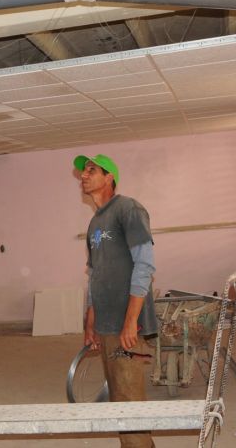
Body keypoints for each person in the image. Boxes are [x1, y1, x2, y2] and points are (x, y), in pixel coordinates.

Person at [74, 153, 158, 448]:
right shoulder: (94, 223)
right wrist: (91, 321)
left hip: (126, 325)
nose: (84, 175)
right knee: (120, 399)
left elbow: (144, 265)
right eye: (83, 171)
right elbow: (95, 275)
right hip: (107, 326)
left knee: (130, 402)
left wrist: (131, 322)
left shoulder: (128, 209)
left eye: (92, 170)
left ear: (109, 176)